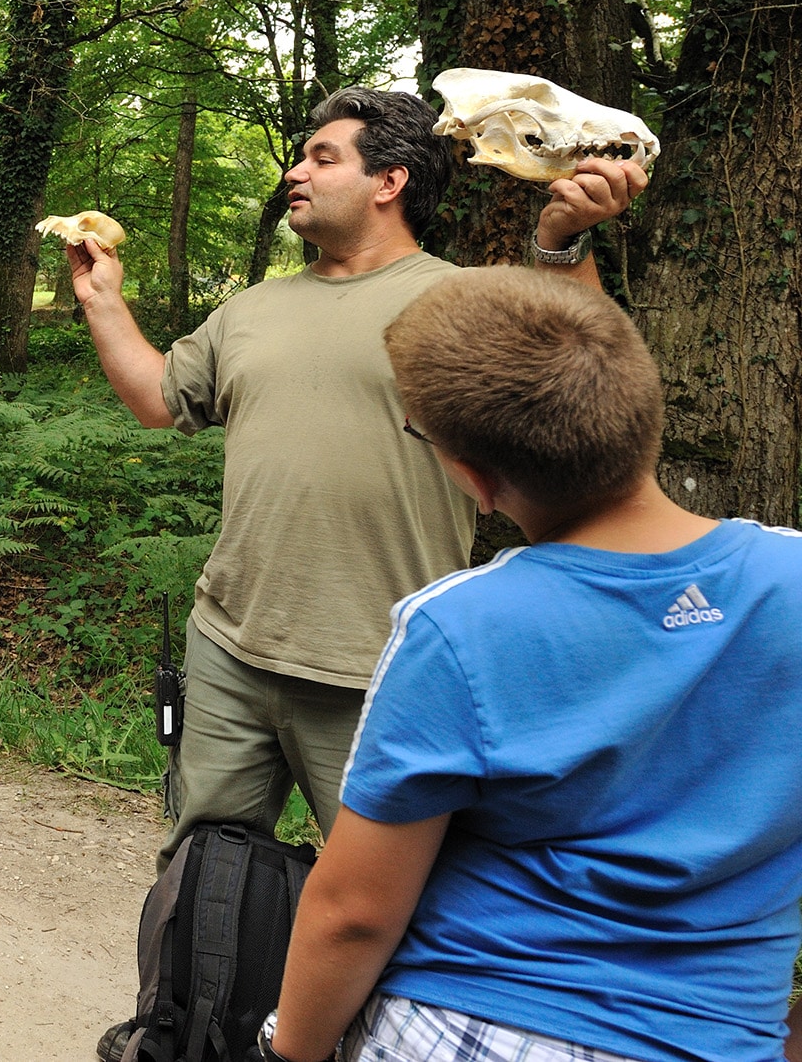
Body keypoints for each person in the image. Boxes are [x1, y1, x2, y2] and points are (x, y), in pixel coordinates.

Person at [64, 87, 647, 868]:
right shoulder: (252, 309)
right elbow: (156, 396)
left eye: (320, 157)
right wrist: (102, 298)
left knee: (385, 907)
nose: (294, 172)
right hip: (229, 650)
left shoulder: (463, 299)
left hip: (383, 667)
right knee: (203, 884)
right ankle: (200, 1000)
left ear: (389, 182)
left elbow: (583, 393)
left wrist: (561, 245)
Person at [263, 267, 802, 1062]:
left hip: (473, 1022)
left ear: (477, 480)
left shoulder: (460, 626)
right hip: (719, 1036)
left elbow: (355, 911)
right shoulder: (790, 578)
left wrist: (288, 1054)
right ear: (645, 408)